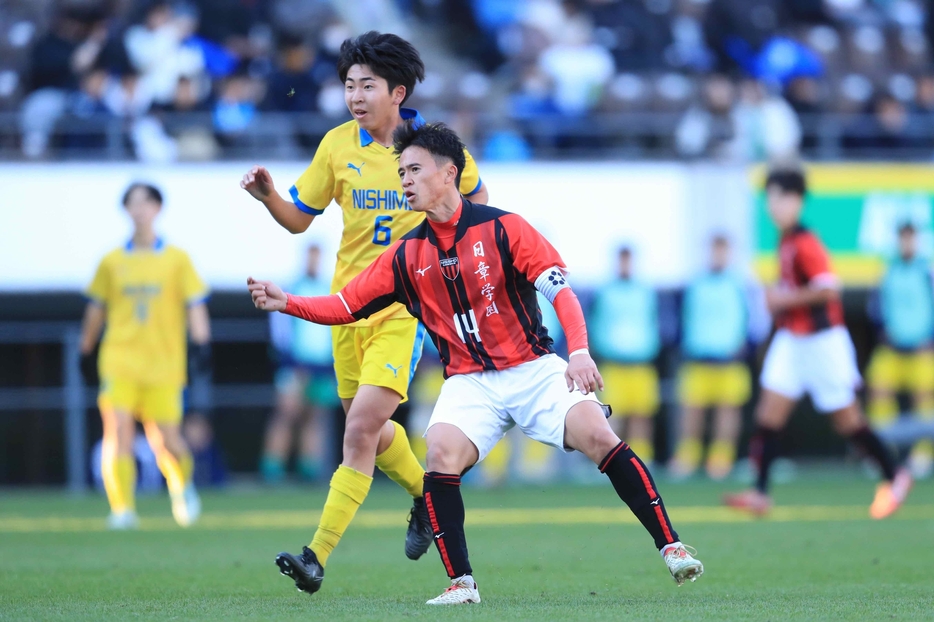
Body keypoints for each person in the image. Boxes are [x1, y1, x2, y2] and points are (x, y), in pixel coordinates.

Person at [247, 121, 703, 604]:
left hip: (533, 368)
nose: (403, 180)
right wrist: (288, 301)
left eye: (414, 169)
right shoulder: (405, 255)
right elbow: (344, 306)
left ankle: (671, 547)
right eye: (400, 171)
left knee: (598, 434)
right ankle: (462, 584)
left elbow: (561, 292)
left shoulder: (505, 227)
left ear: (449, 173)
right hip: (469, 382)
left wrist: (580, 352)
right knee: (440, 454)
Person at [240, 31, 490, 587]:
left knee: (357, 430)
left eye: (367, 85)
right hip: (345, 308)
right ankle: (429, 494)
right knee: (372, 435)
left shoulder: (436, 147)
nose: (355, 95)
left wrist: (458, 267)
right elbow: (300, 218)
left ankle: (316, 556)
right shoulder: (337, 146)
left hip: (403, 309)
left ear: (397, 91)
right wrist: (269, 198)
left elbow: (476, 208)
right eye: (349, 84)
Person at [723, 168, 912, 518]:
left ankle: (894, 475)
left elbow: (828, 288)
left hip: (823, 343)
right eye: (770, 199)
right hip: (793, 341)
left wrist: (782, 300)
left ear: (795, 200)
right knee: (768, 413)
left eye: (778, 198)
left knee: (848, 420)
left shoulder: (806, 242)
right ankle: (760, 493)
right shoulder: (786, 241)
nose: (772, 206)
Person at [79, 182, 211, 529]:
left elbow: (195, 305)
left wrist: (202, 344)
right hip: (119, 360)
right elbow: (96, 309)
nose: (139, 209)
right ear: (126, 210)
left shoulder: (177, 259)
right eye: (133, 203)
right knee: (117, 430)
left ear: (157, 208)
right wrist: (85, 349)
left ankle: (182, 487)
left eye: (146, 202)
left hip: (163, 364)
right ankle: (122, 509)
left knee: (165, 439)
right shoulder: (111, 261)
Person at [669, 234, 753, 480]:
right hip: (698, 357)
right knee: (691, 409)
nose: (718, 255)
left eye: (723, 250)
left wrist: (744, 345)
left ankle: (721, 459)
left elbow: (753, 320)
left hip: (729, 358)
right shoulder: (695, 283)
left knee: (728, 410)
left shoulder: (740, 284)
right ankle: (687, 457)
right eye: (714, 250)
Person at [261, 244, 339, 483]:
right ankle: (272, 469)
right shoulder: (292, 287)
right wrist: (290, 360)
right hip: (294, 365)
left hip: (322, 366)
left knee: (315, 417)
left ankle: (309, 469)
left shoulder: (329, 287)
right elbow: (280, 329)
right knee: (286, 414)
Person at [866, 222, 934, 479]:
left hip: (922, 348)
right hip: (892, 348)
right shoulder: (888, 270)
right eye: (902, 238)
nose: (907, 243)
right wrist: (883, 334)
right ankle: (883, 454)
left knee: (925, 399)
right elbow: (875, 307)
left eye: (911, 238)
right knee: (879, 392)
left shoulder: (927, 271)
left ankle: (922, 456)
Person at [588, 247, 660, 463]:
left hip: (641, 363)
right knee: (610, 417)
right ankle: (609, 461)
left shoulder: (645, 292)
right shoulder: (604, 292)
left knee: (641, 415)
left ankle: (642, 459)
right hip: (613, 364)